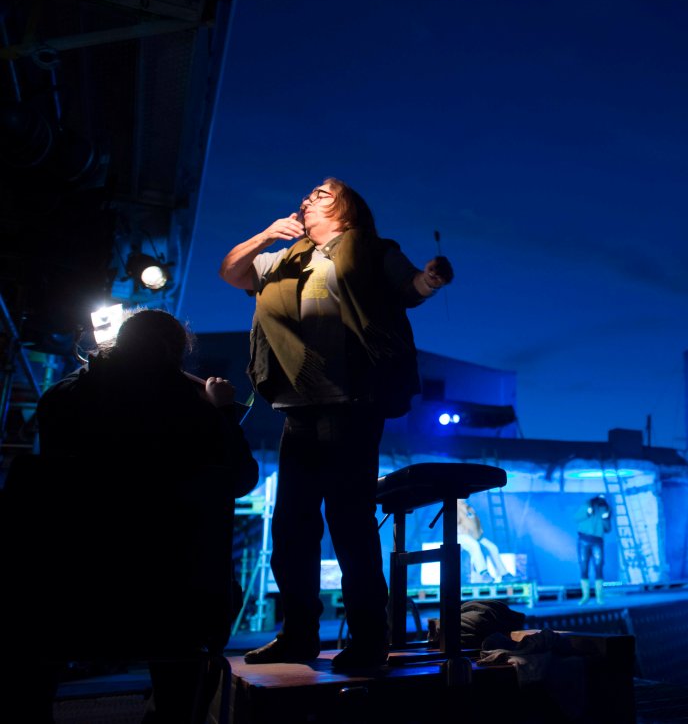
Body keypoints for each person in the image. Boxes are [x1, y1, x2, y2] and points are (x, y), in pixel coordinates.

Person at [219, 177, 452, 670]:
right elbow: (233, 272)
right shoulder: (287, 258)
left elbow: (409, 286)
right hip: (298, 408)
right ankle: (298, 635)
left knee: (349, 523)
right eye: (307, 195)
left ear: (347, 211)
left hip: (352, 405)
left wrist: (430, 280)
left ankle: (368, 639)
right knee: (291, 529)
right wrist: (266, 235)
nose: (308, 199)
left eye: (322, 195)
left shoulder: (372, 250)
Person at [27, 308, 259, 723]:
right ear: (177, 353)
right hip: (172, 600)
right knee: (202, 608)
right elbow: (240, 478)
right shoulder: (195, 410)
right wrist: (224, 411)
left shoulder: (62, 398)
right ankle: (174, 715)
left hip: (67, 592)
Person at [456, 498, 509, 583]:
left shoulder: (468, 507)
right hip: (461, 536)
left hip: (474, 536)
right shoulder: (454, 507)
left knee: (492, 547)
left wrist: (479, 531)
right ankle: (483, 573)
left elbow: (475, 521)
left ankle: (503, 574)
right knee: (474, 545)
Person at [575, 495, 612, 605]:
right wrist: (587, 513)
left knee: (598, 568)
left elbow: (608, 529)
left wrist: (605, 518)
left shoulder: (605, 509)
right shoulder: (586, 506)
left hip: (597, 542)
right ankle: (585, 597)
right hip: (583, 540)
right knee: (583, 567)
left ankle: (599, 597)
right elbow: (576, 518)